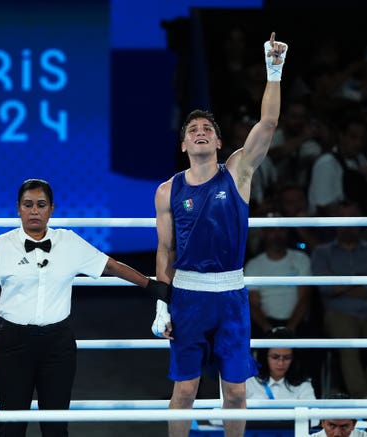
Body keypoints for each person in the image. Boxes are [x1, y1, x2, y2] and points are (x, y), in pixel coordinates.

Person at [0, 178, 166, 437]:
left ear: (52, 209)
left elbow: (111, 265)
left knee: (55, 425)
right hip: (13, 344)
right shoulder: (1, 246)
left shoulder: (69, 242)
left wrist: (151, 286)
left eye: (41, 204)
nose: (34, 211)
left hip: (58, 345)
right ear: (18, 208)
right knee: (11, 424)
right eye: (28, 205)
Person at [151, 32, 288, 437]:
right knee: (185, 390)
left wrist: (273, 69)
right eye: (192, 128)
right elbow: (165, 251)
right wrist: (162, 306)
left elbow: (269, 123)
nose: (199, 131)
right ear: (183, 144)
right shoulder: (166, 191)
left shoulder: (239, 173)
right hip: (188, 295)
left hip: (230, 293)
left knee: (235, 391)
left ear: (219, 140)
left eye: (206, 127)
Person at [310, 201, 367, 399]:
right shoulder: (322, 252)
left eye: (352, 220)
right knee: (349, 347)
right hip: (339, 314)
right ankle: (364, 400)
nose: (347, 225)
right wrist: (360, 282)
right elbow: (326, 287)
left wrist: (341, 285)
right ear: (335, 223)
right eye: (343, 220)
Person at [244, 210, 313, 338]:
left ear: (287, 232)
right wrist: (268, 329)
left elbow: (304, 298)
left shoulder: (301, 259)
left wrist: (291, 328)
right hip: (265, 324)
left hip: (297, 322)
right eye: (272, 230)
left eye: (281, 229)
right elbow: (253, 304)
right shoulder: (253, 265)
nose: (277, 234)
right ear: (263, 233)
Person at [246, 327, 316, 400]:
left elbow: (312, 410)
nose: (280, 363)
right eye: (275, 357)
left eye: (287, 357)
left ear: (294, 358)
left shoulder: (303, 384)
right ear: (264, 357)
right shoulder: (250, 381)